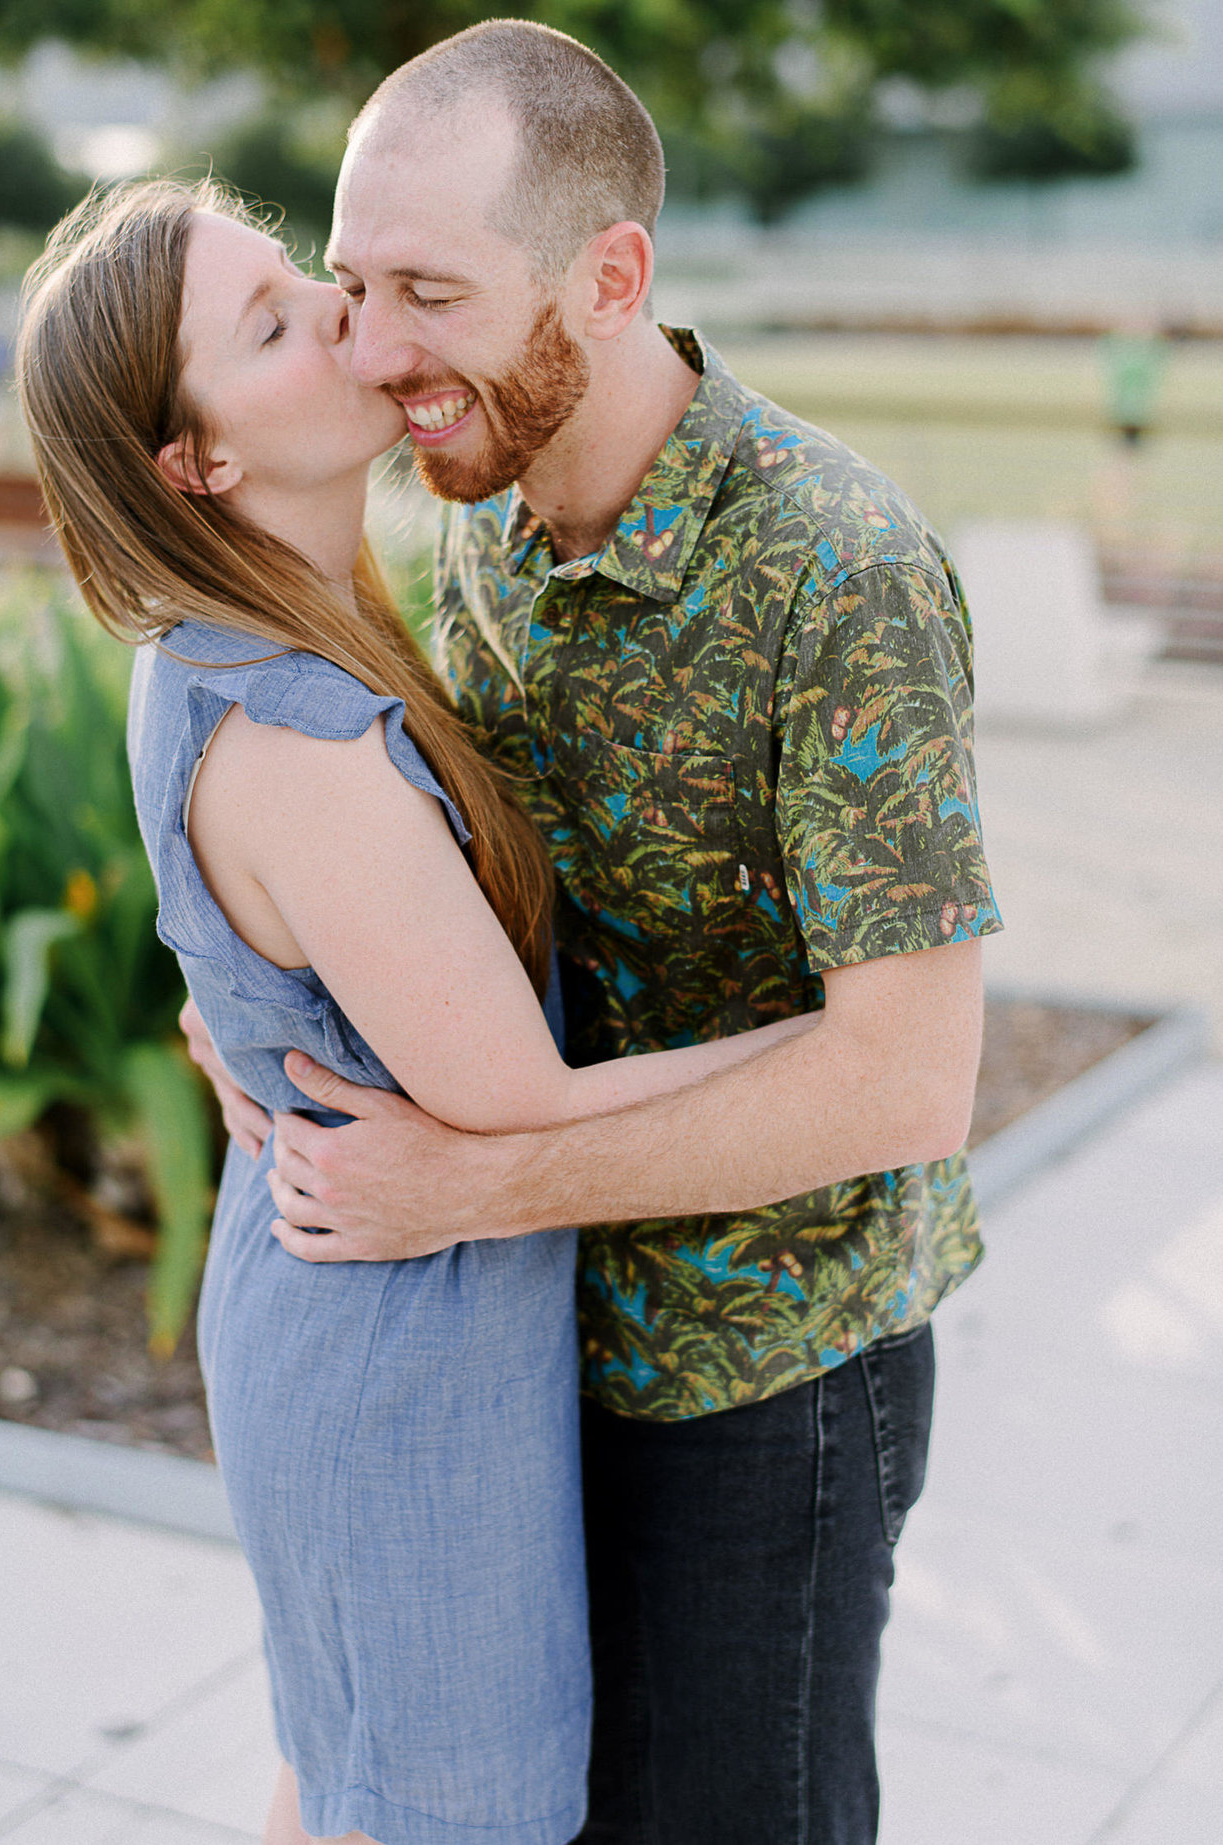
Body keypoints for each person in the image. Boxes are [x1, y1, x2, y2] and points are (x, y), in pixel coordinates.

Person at [178, 23, 998, 1843]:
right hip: (516, 1358)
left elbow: (914, 1081)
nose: (379, 350)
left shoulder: (836, 573)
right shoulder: (466, 518)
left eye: (432, 294)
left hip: (765, 1381)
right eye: (350, 284)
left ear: (609, 281)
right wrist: (230, 1012)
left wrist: (462, 1189)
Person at [18, 177, 826, 1845]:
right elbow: (514, 1101)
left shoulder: (246, 639)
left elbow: (252, 946)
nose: (339, 314)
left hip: (348, 1288)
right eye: (270, 326)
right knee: (442, 1802)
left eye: (300, 278)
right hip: (398, 1344)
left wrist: (225, 1020)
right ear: (199, 464)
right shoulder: (301, 732)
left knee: (351, 1781)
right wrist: (831, 1045)